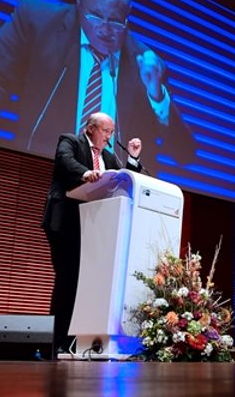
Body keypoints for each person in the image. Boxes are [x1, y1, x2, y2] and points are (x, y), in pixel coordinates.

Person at [0, 0, 195, 170]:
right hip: (42, 175)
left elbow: (184, 153)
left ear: (128, 12)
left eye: (117, 21)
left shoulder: (146, 63)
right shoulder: (36, 22)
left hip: (113, 198)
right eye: (96, 16)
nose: (106, 30)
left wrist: (158, 96)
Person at [41, 111, 143, 353]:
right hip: (65, 220)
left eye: (111, 133)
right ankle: (55, 343)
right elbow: (64, 161)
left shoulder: (108, 156)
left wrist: (132, 159)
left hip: (92, 227)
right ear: (90, 129)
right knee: (67, 279)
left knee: (81, 283)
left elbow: (124, 180)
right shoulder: (70, 141)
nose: (109, 137)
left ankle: (74, 342)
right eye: (106, 131)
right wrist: (85, 173)